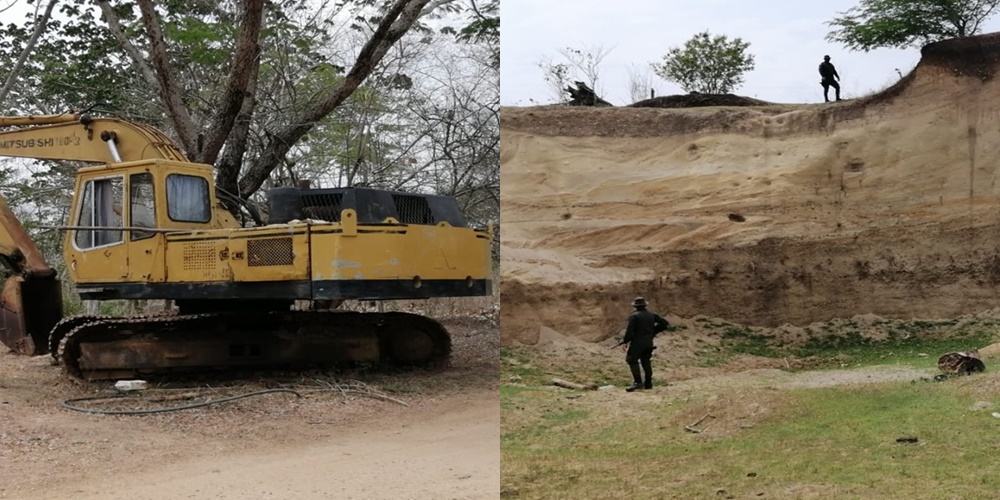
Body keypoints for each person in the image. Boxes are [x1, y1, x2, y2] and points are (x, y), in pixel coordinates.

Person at [620, 297, 669, 392]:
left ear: (635, 306)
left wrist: (625, 341)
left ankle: (638, 382)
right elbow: (665, 324)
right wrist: (653, 332)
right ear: (645, 305)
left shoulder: (634, 316)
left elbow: (630, 331)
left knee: (631, 360)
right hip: (649, 342)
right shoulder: (652, 315)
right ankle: (648, 383)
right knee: (646, 361)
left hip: (637, 342)